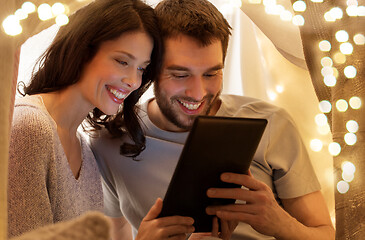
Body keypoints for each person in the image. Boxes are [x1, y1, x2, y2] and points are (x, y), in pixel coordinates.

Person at [90, 0, 335, 239]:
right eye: (180, 74)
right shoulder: (108, 142)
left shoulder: (272, 124)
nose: (198, 93)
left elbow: (325, 234)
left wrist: (281, 224)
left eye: (211, 73)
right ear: (151, 70)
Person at [8, 0, 195, 239]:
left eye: (141, 68)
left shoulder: (84, 150)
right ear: (82, 50)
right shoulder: (31, 128)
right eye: (122, 61)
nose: (133, 81)